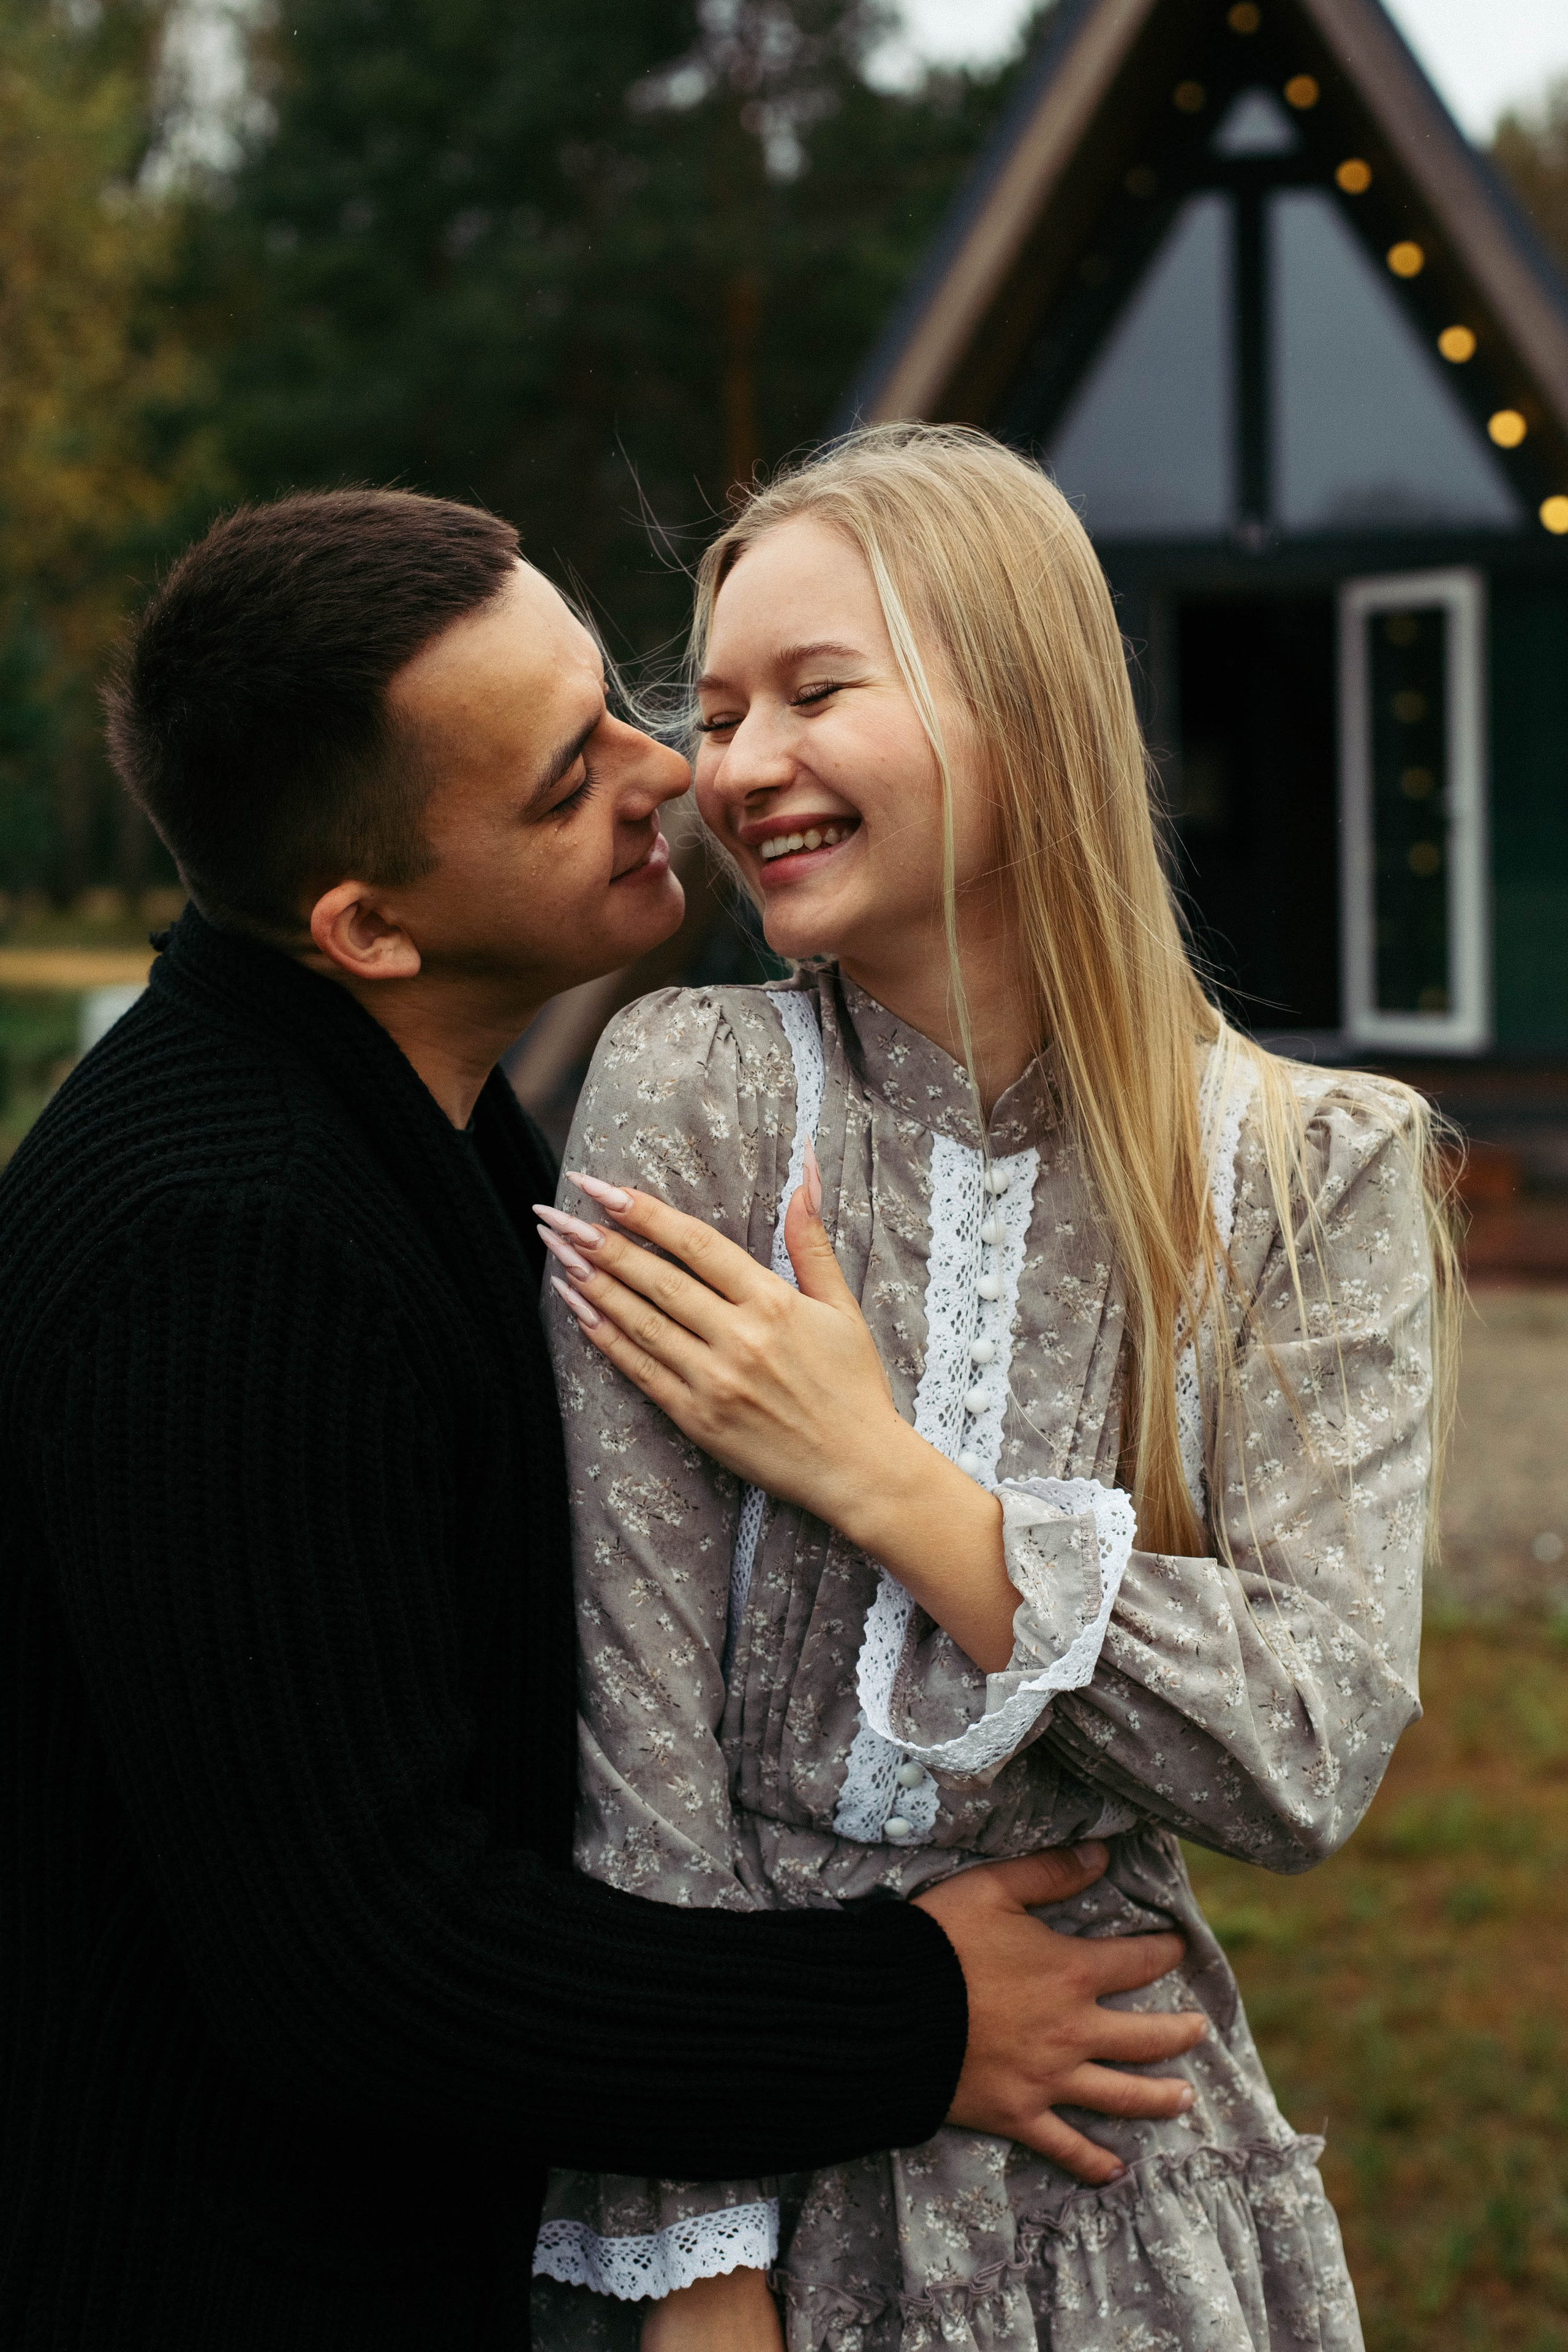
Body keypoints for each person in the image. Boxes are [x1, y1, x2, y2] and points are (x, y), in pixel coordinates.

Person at [0, 487, 1207, 2351]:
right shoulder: (224, 1246)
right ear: (369, 925)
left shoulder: (412, 1127)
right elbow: (357, 1966)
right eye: (570, 780)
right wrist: (911, 2018)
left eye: (618, 705)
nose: (670, 771)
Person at [529, 424, 1455, 2352]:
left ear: (1025, 709)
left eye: (815, 689)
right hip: (759, 2184)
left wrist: (891, 1483)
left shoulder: (1314, 1169)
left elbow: (1303, 1748)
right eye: (714, 711)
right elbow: (639, 1762)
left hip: (1124, 2184)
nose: (740, 764)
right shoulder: (691, 1088)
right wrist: (700, 2275)